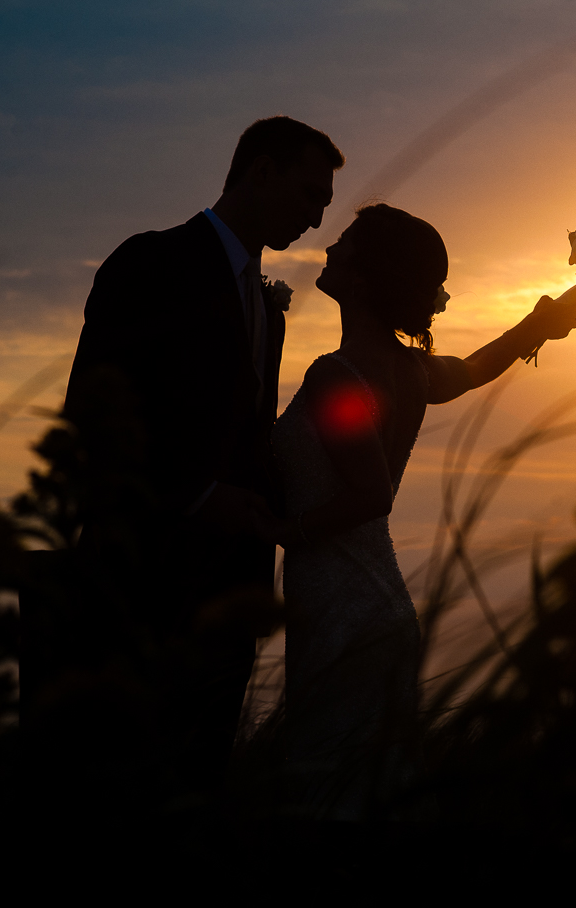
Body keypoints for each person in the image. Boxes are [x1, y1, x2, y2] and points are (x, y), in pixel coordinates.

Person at [56, 115, 342, 790]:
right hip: (141, 583)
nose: (315, 218)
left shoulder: (267, 308)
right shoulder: (150, 263)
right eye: (308, 196)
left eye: (324, 206)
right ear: (261, 172)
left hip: (230, 588)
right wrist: (199, 499)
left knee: (198, 782)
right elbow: (94, 420)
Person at [272, 204, 576, 815]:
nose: (330, 247)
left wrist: (284, 530)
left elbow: (371, 495)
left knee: (327, 800)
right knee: (371, 795)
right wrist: (541, 321)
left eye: (345, 242)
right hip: (378, 607)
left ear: (361, 277)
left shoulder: (335, 377)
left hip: (343, 610)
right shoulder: (409, 369)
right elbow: (471, 369)